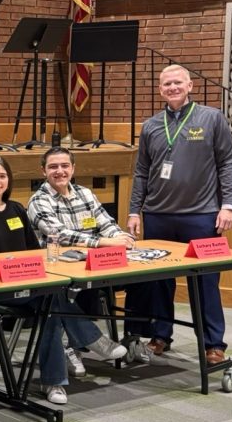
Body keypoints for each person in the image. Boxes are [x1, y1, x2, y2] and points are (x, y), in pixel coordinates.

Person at [0, 156, 123, 406]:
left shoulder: (15, 209)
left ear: (8, 180)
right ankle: (90, 342)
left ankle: (54, 382)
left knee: (51, 306)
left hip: (28, 286)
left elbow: (35, 251)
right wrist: (13, 267)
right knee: (53, 297)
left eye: (2, 176)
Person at [126, 64, 232, 364]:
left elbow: (228, 163)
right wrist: (134, 211)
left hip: (202, 215)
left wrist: (228, 205)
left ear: (190, 85)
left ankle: (213, 344)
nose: (172, 88)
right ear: (160, 89)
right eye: (166, 84)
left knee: (205, 283)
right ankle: (160, 335)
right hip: (158, 215)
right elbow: (140, 173)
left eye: (178, 82)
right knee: (159, 281)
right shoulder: (151, 125)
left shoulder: (211, 118)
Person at [26, 146, 145, 373]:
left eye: (64, 166)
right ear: (43, 171)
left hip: (91, 265)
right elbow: (59, 234)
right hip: (57, 270)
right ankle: (84, 343)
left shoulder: (85, 193)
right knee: (67, 292)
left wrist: (121, 237)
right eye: (53, 167)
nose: (59, 171)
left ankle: (80, 344)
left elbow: (106, 223)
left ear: (73, 168)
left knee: (143, 280)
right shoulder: (38, 201)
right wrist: (104, 242)